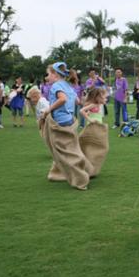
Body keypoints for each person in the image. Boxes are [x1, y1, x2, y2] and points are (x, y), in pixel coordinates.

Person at [42, 62, 91, 190]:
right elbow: (78, 102)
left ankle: (81, 179)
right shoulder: (68, 86)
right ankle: (57, 173)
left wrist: (48, 110)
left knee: (63, 151)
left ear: (55, 74)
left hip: (59, 121)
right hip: (70, 120)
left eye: (48, 74)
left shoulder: (56, 85)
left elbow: (62, 99)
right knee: (65, 149)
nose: (47, 78)